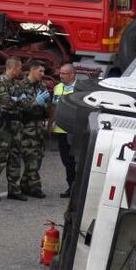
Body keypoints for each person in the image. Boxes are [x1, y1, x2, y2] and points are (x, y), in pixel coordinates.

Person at [0, 57, 27, 202]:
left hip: (16, 124)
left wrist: (17, 100)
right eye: (19, 68)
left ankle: (14, 190)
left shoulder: (16, 83)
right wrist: (17, 100)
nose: (20, 71)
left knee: (15, 157)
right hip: (3, 126)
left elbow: (25, 101)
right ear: (13, 67)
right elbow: (5, 102)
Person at [18, 61, 52, 198]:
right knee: (31, 157)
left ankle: (24, 184)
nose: (43, 74)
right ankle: (35, 187)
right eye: (40, 71)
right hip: (26, 128)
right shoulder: (21, 86)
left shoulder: (41, 87)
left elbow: (48, 109)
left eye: (44, 71)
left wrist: (44, 106)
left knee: (38, 157)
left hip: (39, 128)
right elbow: (19, 107)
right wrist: (34, 103)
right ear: (32, 70)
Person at [50, 63, 77, 197]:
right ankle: (71, 186)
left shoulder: (79, 89)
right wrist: (50, 124)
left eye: (64, 74)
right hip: (60, 129)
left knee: (74, 160)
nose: (61, 76)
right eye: (60, 73)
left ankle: (75, 187)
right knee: (66, 160)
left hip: (74, 131)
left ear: (72, 74)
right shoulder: (58, 88)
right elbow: (54, 107)